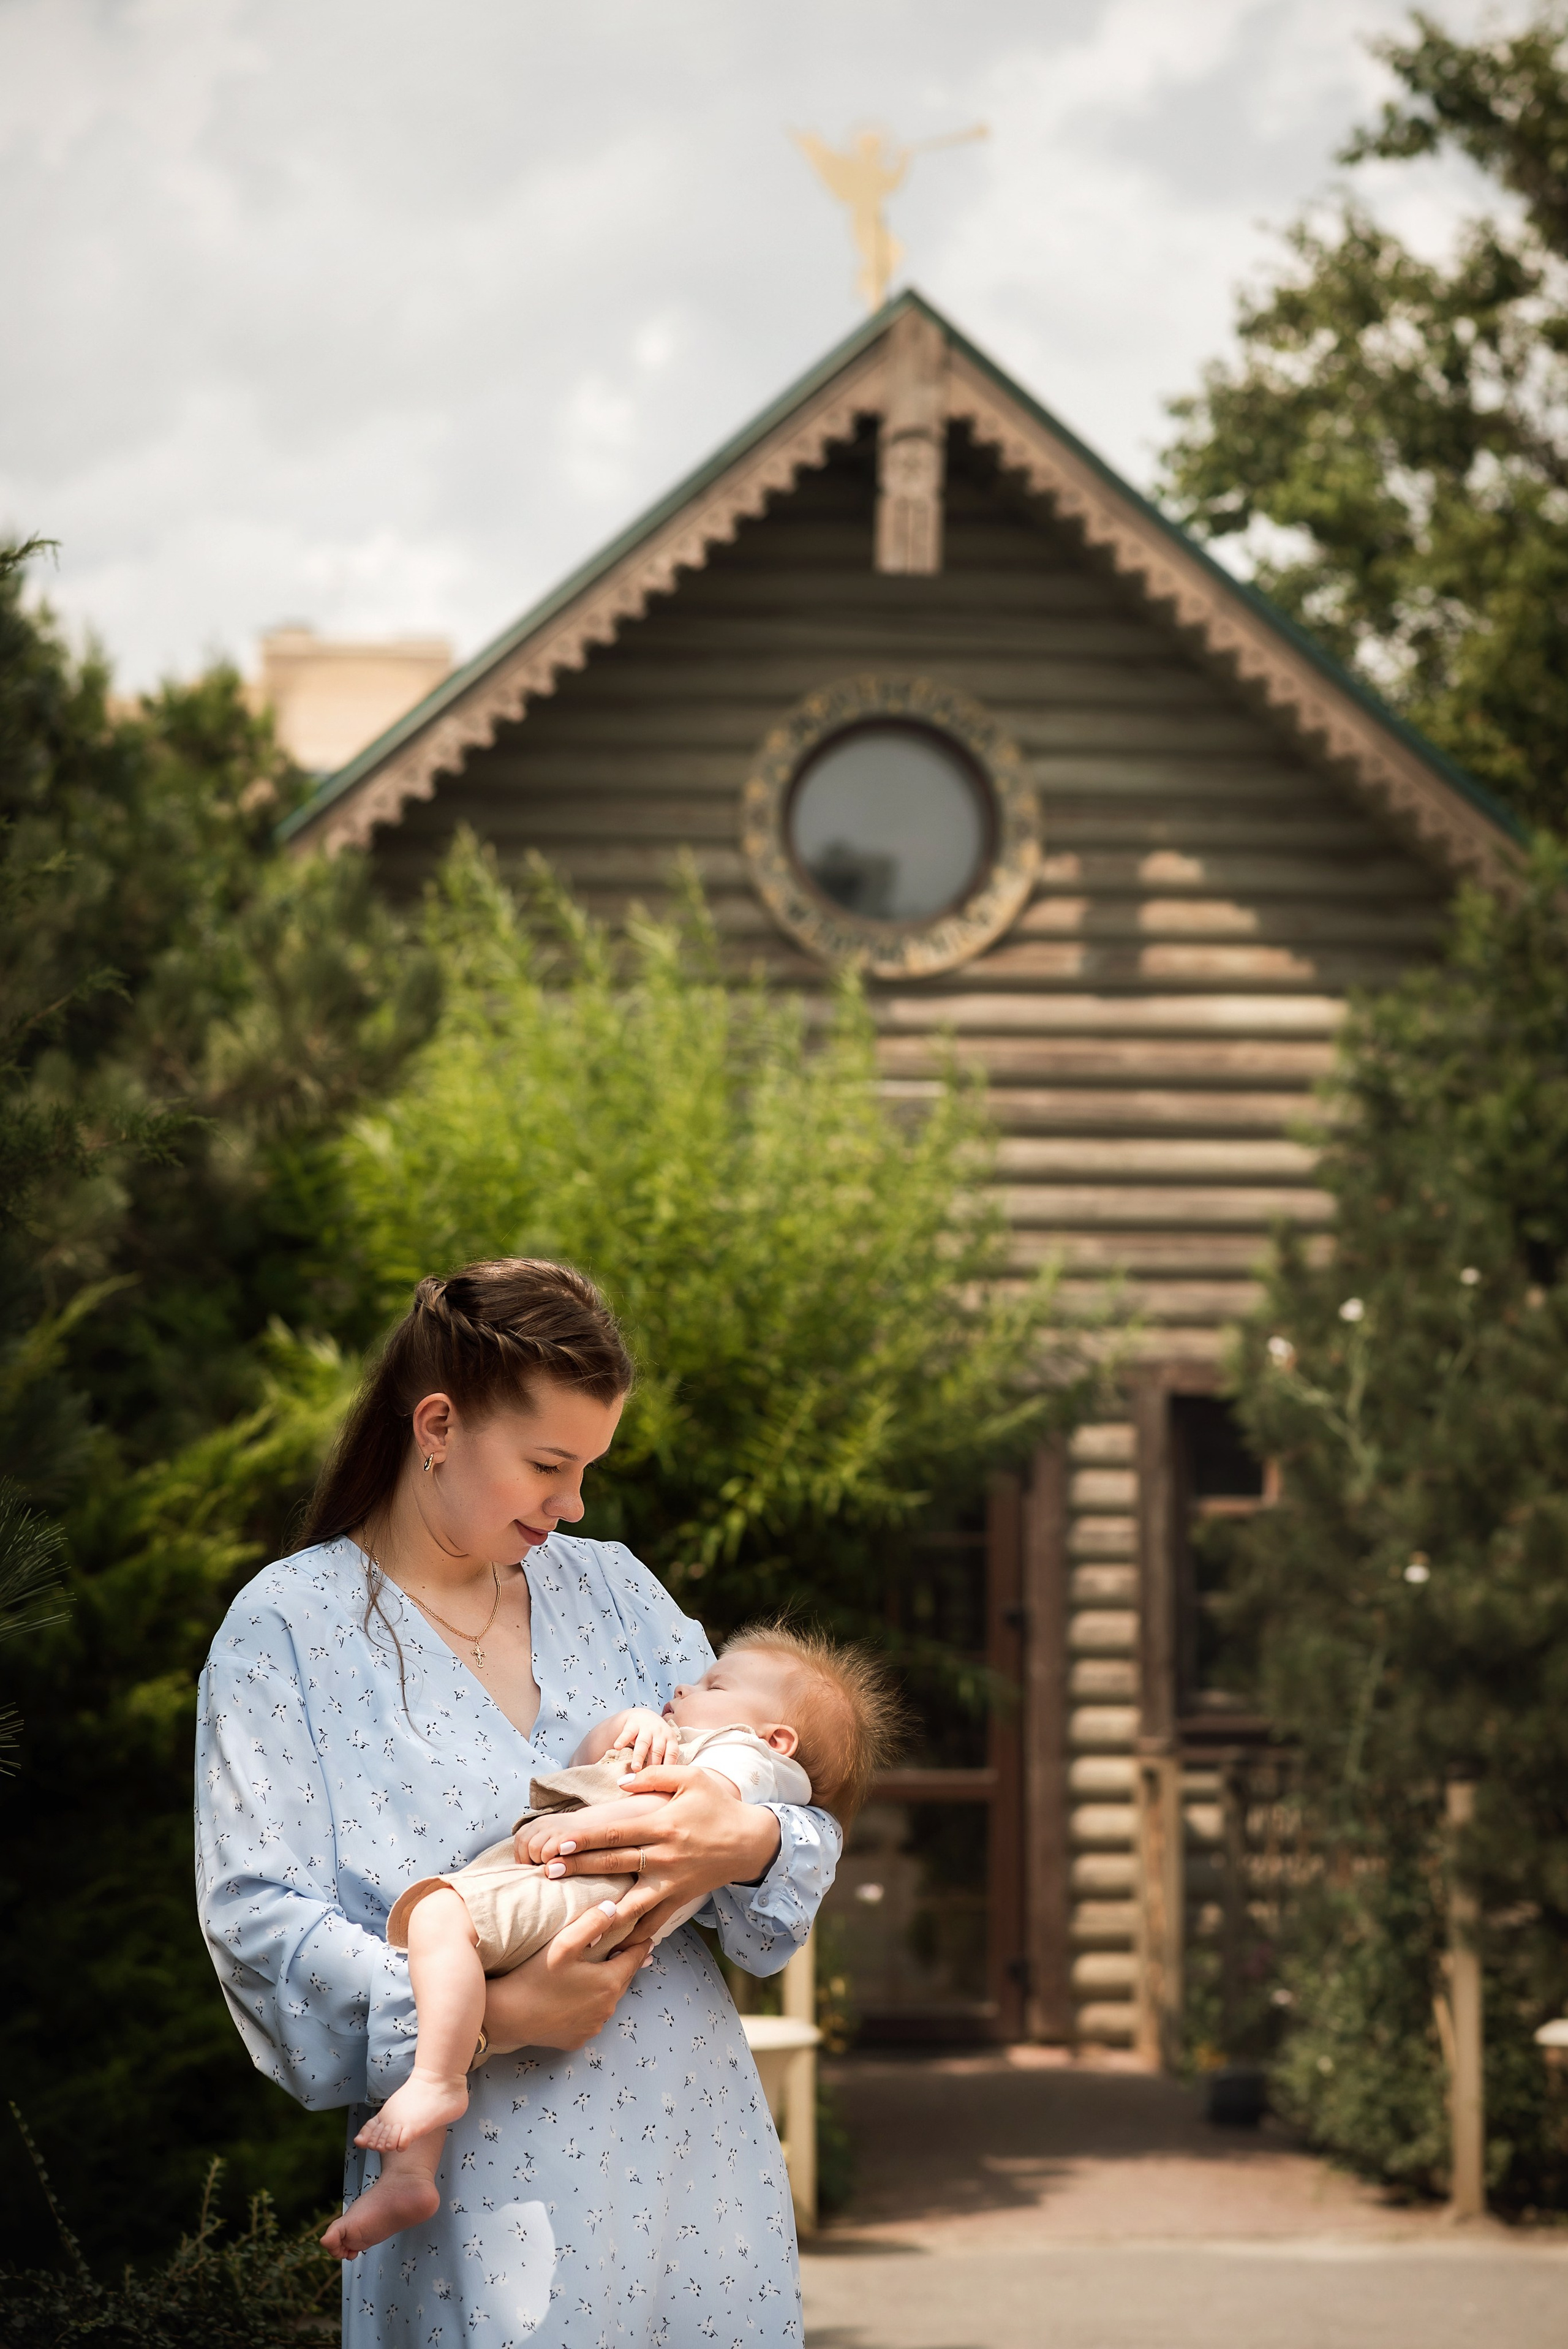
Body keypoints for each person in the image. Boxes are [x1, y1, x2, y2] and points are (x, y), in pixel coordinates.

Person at [195, 1259, 843, 2348]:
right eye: (548, 1463)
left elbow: (776, 1784)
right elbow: (260, 1921)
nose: (574, 1503)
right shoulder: (287, 1629)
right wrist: (490, 2022)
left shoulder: (617, 1589)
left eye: (588, 1468)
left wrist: (750, 1838)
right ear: (437, 1424)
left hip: (698, 2158)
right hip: (482, 2190)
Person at [332, 1627, 899, 2260]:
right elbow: (584, 1765)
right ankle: (409, 2174)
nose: (685, 1685)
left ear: (777, 1738)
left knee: (438, 1915)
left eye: (715, 1685)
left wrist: (575, 1828)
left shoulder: (746, 1758)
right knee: (443, 1981)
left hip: (586, 1884)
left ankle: (435, 2084)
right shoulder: (695, 1745)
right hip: (581, 1891)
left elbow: (669, 1819)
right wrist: (622, 1726)